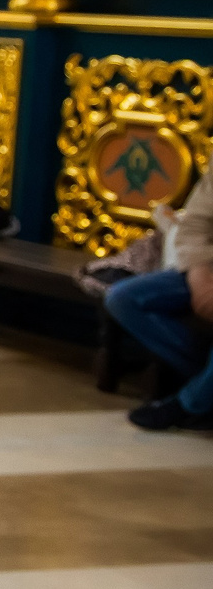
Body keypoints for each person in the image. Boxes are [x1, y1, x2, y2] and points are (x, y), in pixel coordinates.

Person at [109, 180, 213, 431]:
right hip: (207, 264)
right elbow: (196, 223)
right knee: (123, 298)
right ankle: (205, 383)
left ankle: (187, 404)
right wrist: (200, 273)